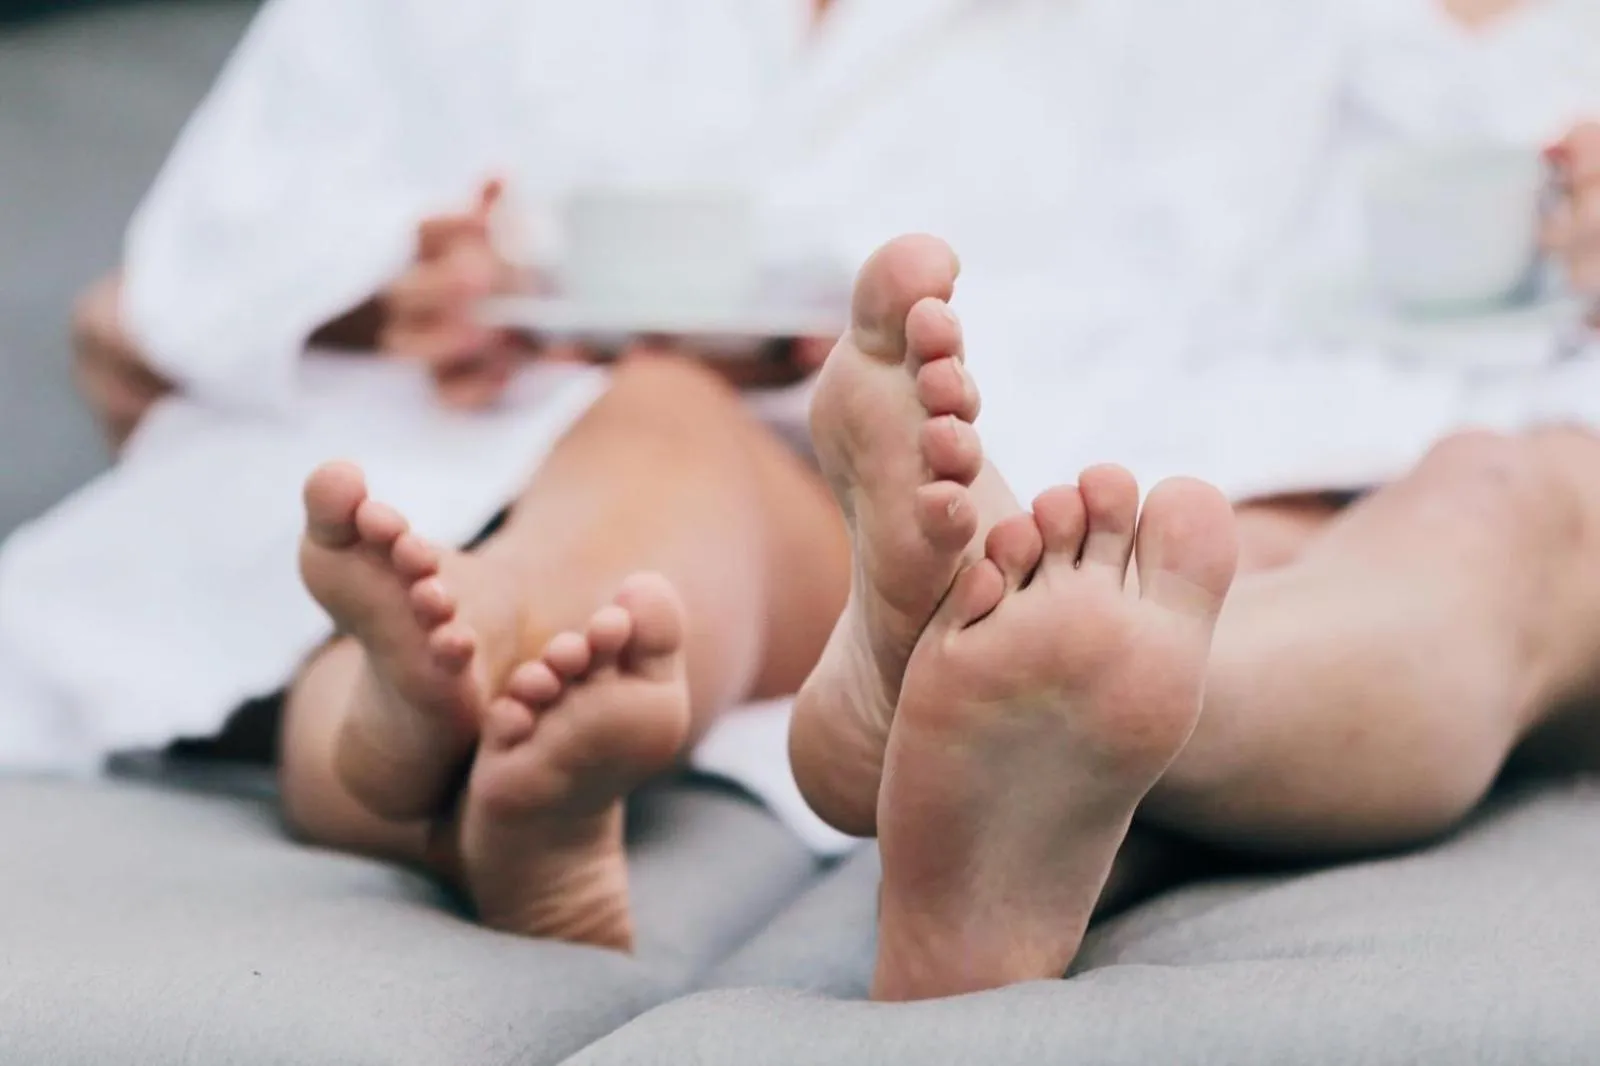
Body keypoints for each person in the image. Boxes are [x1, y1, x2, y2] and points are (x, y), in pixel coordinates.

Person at [8, 0, 1595, 973]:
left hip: (1277, 447)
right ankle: (459, 695)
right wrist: (378, 282)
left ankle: (1078, 706)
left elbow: (1272, 241)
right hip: (716, 452)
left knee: (1483, 516)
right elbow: (157, 301)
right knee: (652, 446)